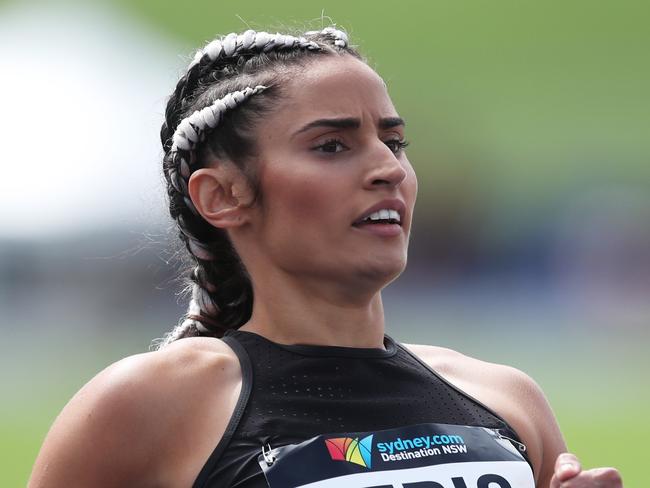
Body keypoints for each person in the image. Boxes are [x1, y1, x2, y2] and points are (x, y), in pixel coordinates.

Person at [29, 27, 623, 488]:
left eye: (394, 143)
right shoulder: (153, 403)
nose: (388, 169)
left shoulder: (505, 398)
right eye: (332, 145)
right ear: (223, 195)